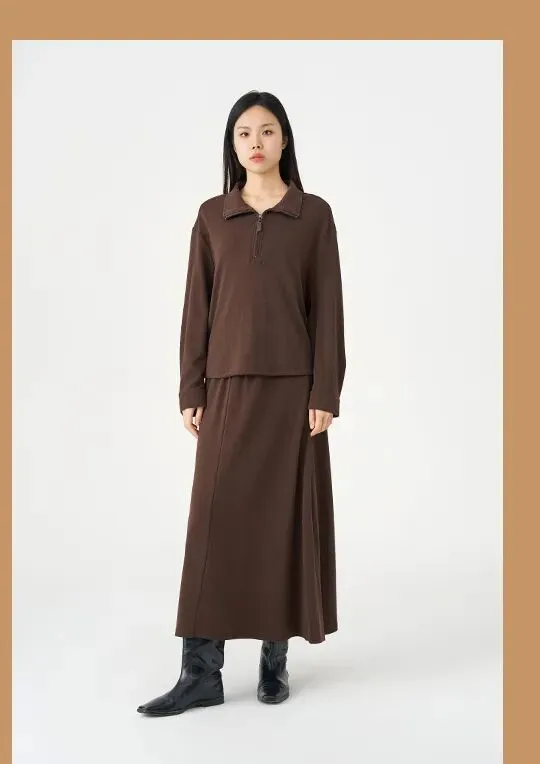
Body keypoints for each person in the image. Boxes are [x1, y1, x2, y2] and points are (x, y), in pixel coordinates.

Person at [137, 90, 346, 717]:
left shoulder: (313, 215)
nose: (256, 142)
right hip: (226, 387)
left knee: (282, 524)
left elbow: (328, 310)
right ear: (232, 145)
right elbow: (195, 308)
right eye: (244, 133)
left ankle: (274, 662)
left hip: (292, 393)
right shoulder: (212, 217)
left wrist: (325, 391)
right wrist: (191, 387)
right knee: (213, 525)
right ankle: (200, 672)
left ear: (285, 140)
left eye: (267, 130)